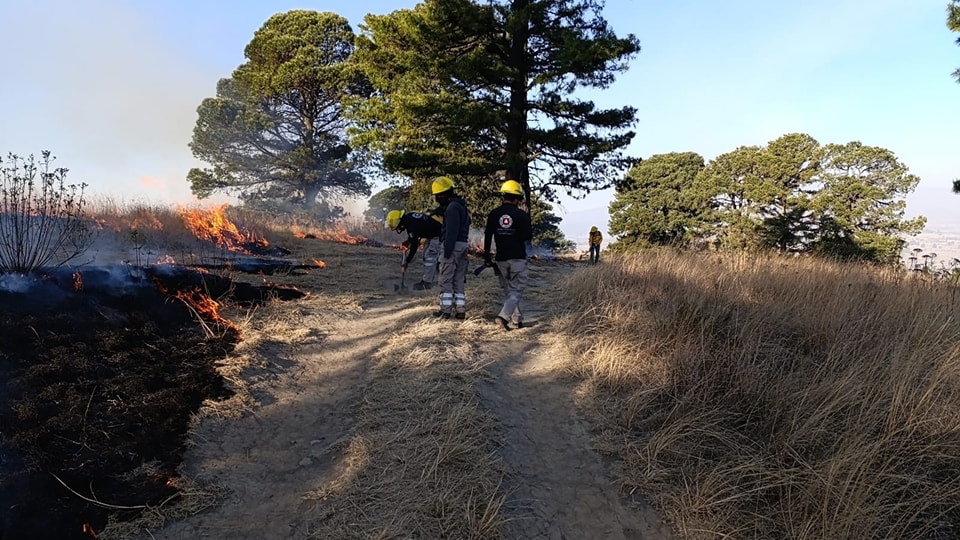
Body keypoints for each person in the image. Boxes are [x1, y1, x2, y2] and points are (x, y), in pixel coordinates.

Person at [483, 179, 533, 331]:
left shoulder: (494, 214)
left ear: (503, 196)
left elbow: (488, 236)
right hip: (517, 257)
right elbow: (528, 236)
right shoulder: (522, 215)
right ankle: (503, 317)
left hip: (501, 259)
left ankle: (517, 320)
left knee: (509, 291)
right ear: (517, 198)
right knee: (516, 290)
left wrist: (486, 256)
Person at [432, 176, 470, 319]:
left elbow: (451, 231)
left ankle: (445, 310)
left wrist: (447, 252)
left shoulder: (452, 208)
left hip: (452, 246)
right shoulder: (461, 206)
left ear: (443, 194)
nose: (436, 198)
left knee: (445, 279)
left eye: (437, 196)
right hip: (463, 245)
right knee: (458, 280)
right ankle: (460, 310)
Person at [386, 209, 442, 290]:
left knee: (430, 257)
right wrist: (408, 241)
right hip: (432, 235)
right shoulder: (409, 217)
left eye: (398, 227)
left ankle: (427, 283)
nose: (399, 229)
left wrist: (407, 261)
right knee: (427, 256)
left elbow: (414, 246)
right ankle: (431, 278)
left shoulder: (411, 225)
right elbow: (416, 234)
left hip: (439, 235)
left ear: (400, 223)